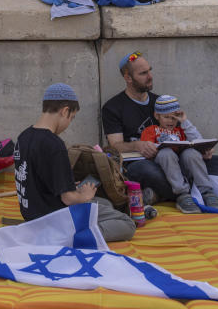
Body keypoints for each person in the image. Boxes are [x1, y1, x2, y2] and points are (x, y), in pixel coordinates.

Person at [101, 51, 218, 205]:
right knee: (139, 170)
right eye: (143, 73)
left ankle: (166, 194)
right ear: (128, 78)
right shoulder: (113, 107)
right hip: (147, 163)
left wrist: (203, 148)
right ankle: (190, 192)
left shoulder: (161, 102)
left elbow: (184, 135)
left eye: (150, 70)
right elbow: (115, 147)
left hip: (177, 162)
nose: (150, 76)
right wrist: (137, 145)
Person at [14, 83, 136, 242]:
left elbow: (38, 179)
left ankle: (77, 228)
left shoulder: (23, 137)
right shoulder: (54, 145)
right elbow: (68, 199)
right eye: (71, 118)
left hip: (31, 216)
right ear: (65, 111)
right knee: (127, 224)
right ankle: (73, 237)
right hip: (55, 219)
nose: (68, 124)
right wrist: (84, 196)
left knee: (105, 203)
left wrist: (68, 184)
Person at [139, 94, 218, 213]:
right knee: (166, 153)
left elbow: (198, 141)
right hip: (164, 171)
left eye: (174, 118)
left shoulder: (181, 130)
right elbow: (147, 149)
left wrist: (184, 121)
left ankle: (206, 191)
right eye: (166, 117)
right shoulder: (150, 130)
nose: (171, 121)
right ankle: (182, 195)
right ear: (157, 116)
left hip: (184, 169)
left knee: (193, 153)